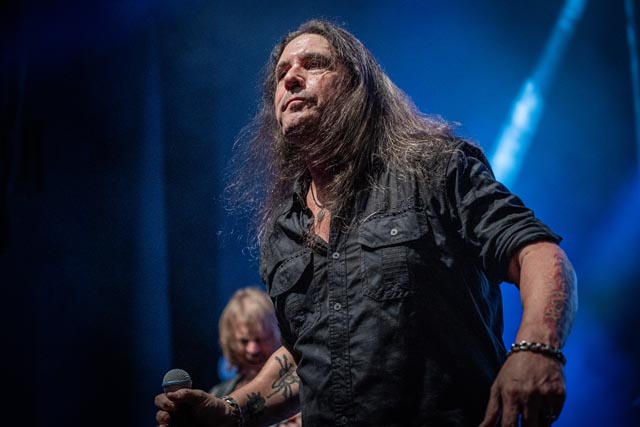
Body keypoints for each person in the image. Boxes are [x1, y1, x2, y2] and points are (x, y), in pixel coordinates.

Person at [155, 19, 578, 427]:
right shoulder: (283, 230)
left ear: (357, 86)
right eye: (282, 73)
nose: (291, 78)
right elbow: (308, 355)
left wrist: (537, 348)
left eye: (314, 64)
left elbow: (537, 252)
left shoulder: (434, 169)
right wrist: (232, 412)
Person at [210, 287, 302, 427]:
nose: (253, 350)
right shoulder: (218, 394)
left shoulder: (302, 393)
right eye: (244, 341)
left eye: (260, 339)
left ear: (278, 334)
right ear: (230, 341)